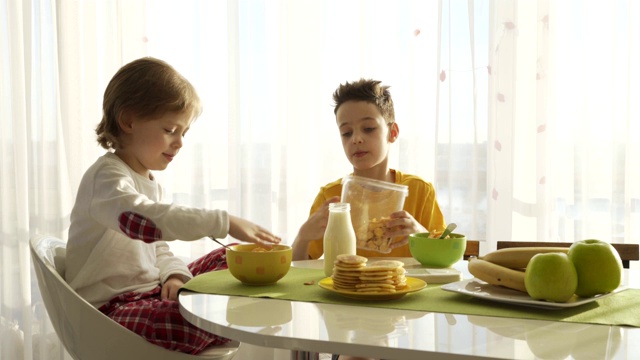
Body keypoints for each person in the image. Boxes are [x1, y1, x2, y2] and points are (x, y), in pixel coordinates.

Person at [65, 57, 281, 354]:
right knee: (194, 319)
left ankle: (218, 318)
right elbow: (143, 221)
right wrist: (224, 221)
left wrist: (175, 275)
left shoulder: (148, 181)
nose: (179, 142)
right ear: (128, 121)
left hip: (150, 294)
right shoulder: (106, 178)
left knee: (230, 257)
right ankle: (220, 320)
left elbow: (157, 245)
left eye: (184, 132)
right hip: (109, 312)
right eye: (170, 129)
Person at [292, 78, 446, 262]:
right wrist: (303, 237)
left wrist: (421, 235)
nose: (356, 139)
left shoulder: (420, 191)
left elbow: (444, 258)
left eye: (368, 128)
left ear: (393, 132)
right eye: (347, 133)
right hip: (346, 289)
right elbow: (299, 267)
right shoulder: (331, 196)